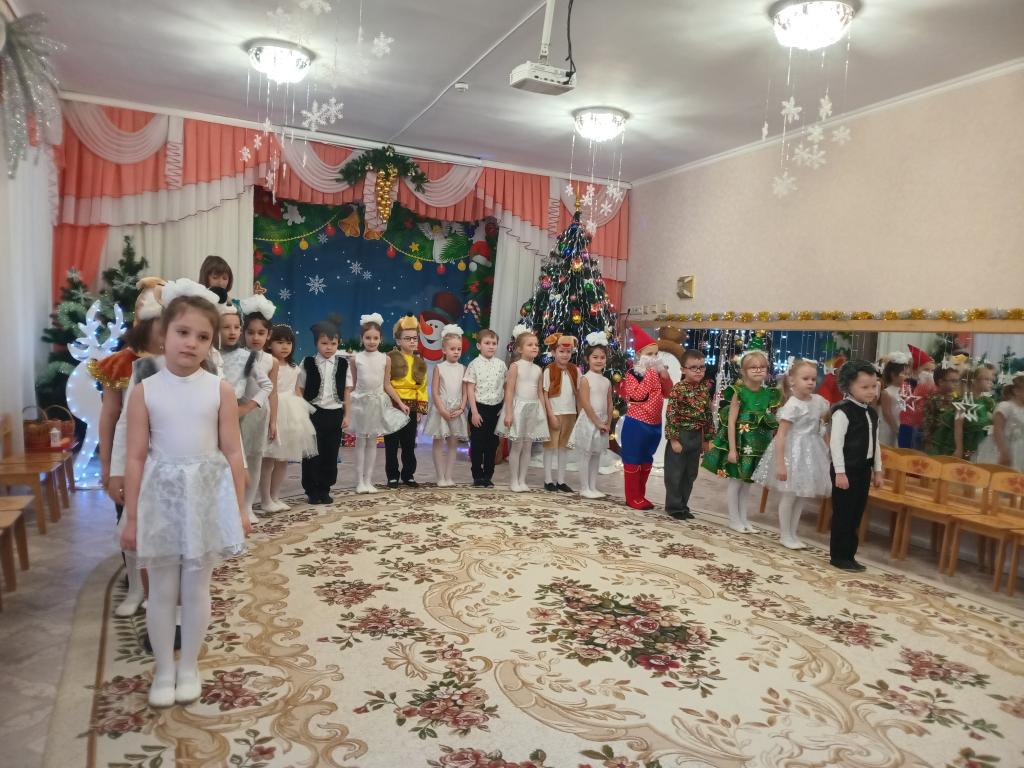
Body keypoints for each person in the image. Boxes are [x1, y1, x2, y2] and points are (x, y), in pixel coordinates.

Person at [118, 283, 249, 708]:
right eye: (182, 332)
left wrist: (240, 508)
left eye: (202, 336)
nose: (191, 343)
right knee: (160, 590)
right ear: (164, 334)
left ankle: (188, 666)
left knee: (196, 588)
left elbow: (233, 452)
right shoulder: (145, 391)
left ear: (211, 344)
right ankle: (163, 669)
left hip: (205, 498)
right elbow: (135, 457)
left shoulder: (219, 390)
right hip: (161, 498)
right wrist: (132, 516)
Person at [97, 277, 165, 617]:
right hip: (131, 459)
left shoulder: (182, 361)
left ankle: (161, 591)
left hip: (167, 458)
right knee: (130, 522)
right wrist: (109, 466)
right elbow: (112, 417)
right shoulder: (123, 363)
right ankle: (136, 588)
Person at [702, 339, 780, 532]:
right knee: (736, 481)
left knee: (747, 484)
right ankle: (734, 519)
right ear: (744, 371)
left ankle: (744, 519)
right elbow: (731, 422)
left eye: (762, 367)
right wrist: (732, 449)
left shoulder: (768, 394)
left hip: (757, 446)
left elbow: (769, 421)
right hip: (740, 443)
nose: (758, 370)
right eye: (753, 367)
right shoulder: (739, 392)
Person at [753, 359, 831, 549]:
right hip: (792, 453)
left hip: (811, 453)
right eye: (805, 378)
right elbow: (781, 435)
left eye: (813, 379)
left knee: (801, 495)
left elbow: (822, 426)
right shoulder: (792, 405)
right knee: (789, 495)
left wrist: (827, 448)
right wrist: (780, 464)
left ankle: (793, 533)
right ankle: (785, 534)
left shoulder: (819, 402)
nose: (810, 382)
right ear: (792, 381)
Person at [219, 299, 275, 524]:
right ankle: (229, 506)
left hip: (252, 413)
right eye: (226, 327)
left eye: (236, 327)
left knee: (254, 459)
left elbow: (268, 387)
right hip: (223, 417)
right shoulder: (212, 355)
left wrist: (247, 407)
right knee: (230, 461)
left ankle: (248, 506)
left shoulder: (250, 358)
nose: (232, 332)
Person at [828, 360, 883, 572]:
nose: (871, 391)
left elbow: (875, 443)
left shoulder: (872, 413)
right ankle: (838, 556)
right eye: (864, 386)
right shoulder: (842, 411)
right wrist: (840, 472)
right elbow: (835, 444)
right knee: (843, 513)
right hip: (846, 470)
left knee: (856, 513)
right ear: (849, 385)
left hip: (863, 470)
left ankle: (849, 555)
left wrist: (878, 470)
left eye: (874, 386)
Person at [259, 324, 318, 512]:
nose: (285, 346)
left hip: (291, 412)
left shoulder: (294, 367)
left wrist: (303, 412)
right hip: (272, 410)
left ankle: (275, 497)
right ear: (269, 344)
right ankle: (265, 499)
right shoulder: (266, 364)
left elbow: (296, 390)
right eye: (279, 342)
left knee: (283, 458)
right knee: (268, 459)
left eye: (289, 343)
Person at [348, 313, 410, 493]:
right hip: (360, 403)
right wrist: (346, 405)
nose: (372, 341)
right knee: (361, 442)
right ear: (362, 338)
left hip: (377, 403)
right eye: (368, 338)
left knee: (373, 442)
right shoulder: (356, 359)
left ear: (381, 339)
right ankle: (359, 481)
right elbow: (353, 384)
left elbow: (387, 384)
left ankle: (368, 480)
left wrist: (400, 403)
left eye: (375, 338)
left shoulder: (385, 359)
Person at [619, 326, 673, 510]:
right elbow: (636, 396)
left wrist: (665, 377)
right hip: (637, 423)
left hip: (654, 424)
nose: (654, 358)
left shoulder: (658, 373)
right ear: (639, 354)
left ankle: (640, 496)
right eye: (649, 354)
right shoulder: (632, 374)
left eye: (656, 354)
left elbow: (668, 393)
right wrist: (650, 374)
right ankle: (631, 497)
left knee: (646, 460)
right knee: (633, 459)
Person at [297, 321, 352, 504]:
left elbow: (347, 391)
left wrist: (347, 415)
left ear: (338, 343)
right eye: (324, 343)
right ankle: (311, 489)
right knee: (312, 453)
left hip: (335, 414)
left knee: (330, 453)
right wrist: (302, 412)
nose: (329, 347)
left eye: (333, 343)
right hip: (314, 413)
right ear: (316, 343)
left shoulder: (343, 364)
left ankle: (324, 488)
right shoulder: (308, 362)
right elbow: (300, 388)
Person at [496, 325, 549, 491]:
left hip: (533, 409)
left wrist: (543, 412)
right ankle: (514, 480)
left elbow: (539, 392)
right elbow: (509, 390)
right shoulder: (515, 366)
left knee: (528, 447)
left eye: (536, 345)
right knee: (517, 446)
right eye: (530, 345)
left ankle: (522, 480)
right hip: (518, 409)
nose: (534, 347)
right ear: (519, 349)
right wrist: (509, 413)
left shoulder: (538, 369)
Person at [663, 349, 713, 520]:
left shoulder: (704, 389)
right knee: (675, 473)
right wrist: (674, 440)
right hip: (681, 436)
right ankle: (674, 507)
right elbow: (671, 414)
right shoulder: (678, 389)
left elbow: (708, 415)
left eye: (702, 367)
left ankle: (683, 505)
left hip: (696, 436)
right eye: (693, 368)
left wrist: (707, 439)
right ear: (683, 369)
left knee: (690, 474)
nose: (698, 371)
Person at [422, 325, 469, 487]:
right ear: (444, 350)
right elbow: (435, 392)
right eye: (452, 349)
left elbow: (465, 392)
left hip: (456, 411)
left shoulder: (463, 369)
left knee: (453, 443)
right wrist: (442, 409)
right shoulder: (439, 368)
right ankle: (440, 476)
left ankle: (448, 476)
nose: (456, 352)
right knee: (438, 442)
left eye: (459, 349)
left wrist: (461, 408)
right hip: (441, 410)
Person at [569, 332, 614, 499]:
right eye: (595, 357)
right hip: (589, 420)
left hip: (602, 421)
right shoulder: (585, 379)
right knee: (585, 454)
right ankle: (584, 487)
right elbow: (585, 403)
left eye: (602, 357)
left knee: (596, 454)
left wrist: (607, 422)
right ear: (587, 359)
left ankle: (593, 486)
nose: (599, 360)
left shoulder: (606, 381)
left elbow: (609, 403)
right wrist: (597, 422)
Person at [386, 315, 428, 488]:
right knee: (391, 443)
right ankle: (392, 475)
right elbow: (386, 383)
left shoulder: (419, 362)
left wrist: (420, 409)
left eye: (415, 338)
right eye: (407, 338)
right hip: (393, 405)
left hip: (411, 407)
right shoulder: (390, 358)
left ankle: (408, 474)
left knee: (409, 443)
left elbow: (422, 388)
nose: (412, 342)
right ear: (398, 340)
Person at [463, 329, 507, 488]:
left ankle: (488, 475)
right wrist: (474, 412)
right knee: (477, 444)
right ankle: (477, 475)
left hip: (496, 409)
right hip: (479, 408)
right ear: (479, 345)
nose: (491, 346)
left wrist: (504, 407)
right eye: (487, 343)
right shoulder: (474, 364)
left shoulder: (501, 365)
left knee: (492, 445)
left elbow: (506, 386)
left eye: (494, 343)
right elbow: (470, 389)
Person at [541, 334, 579, 493]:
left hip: (570, 413)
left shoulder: (575, 370)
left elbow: (579, 393)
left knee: (563, 448)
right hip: (554, 413)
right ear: (553, 352)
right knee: (550, 447)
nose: (565, 355)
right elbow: (544, 393)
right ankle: (548, 480)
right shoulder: (549, 370)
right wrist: (550, 415)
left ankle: (561, 480)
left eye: (568, 352)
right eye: (561, 351)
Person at [976, 372, 1024, 470]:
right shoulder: (1005, 406)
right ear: (1017, 391)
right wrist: (1003, 451)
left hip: (1019, 449)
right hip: (1002, 447)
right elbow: (997, 429)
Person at [952, 362, 997, 460]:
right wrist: (959, 449)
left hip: (982, 448)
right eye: (986, 379)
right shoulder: (963, 403)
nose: (991, 383)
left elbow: (992, 420)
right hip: (968, 448)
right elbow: (958, 427)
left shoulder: (986, 402)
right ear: (974, 381)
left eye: (991, 380)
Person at [899, 345, 934, 449]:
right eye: (926, 369)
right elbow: (907, 404)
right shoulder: (906, 385)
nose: (929, 373)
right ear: (915, 370)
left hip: (923, 429)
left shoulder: (932, 386)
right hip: (908, 428)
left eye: (932, 371)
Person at [923, 366, 960, 454]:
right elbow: (927, 424)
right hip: (937, 443)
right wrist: (929, 445)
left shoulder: (958, 399)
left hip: (953, 443)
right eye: (953, 381)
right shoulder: (932, 400)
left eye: (957, 381)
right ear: (941, 382)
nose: (956, 384)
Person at [877, 356, 908, 447]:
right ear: (893, 375)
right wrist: (896, 429)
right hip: (888, 427)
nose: (906, 377)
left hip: (900, 424)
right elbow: (887, 413)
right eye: (904, 374)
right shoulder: (886, 392)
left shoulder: (904, 391)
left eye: (907, 374)